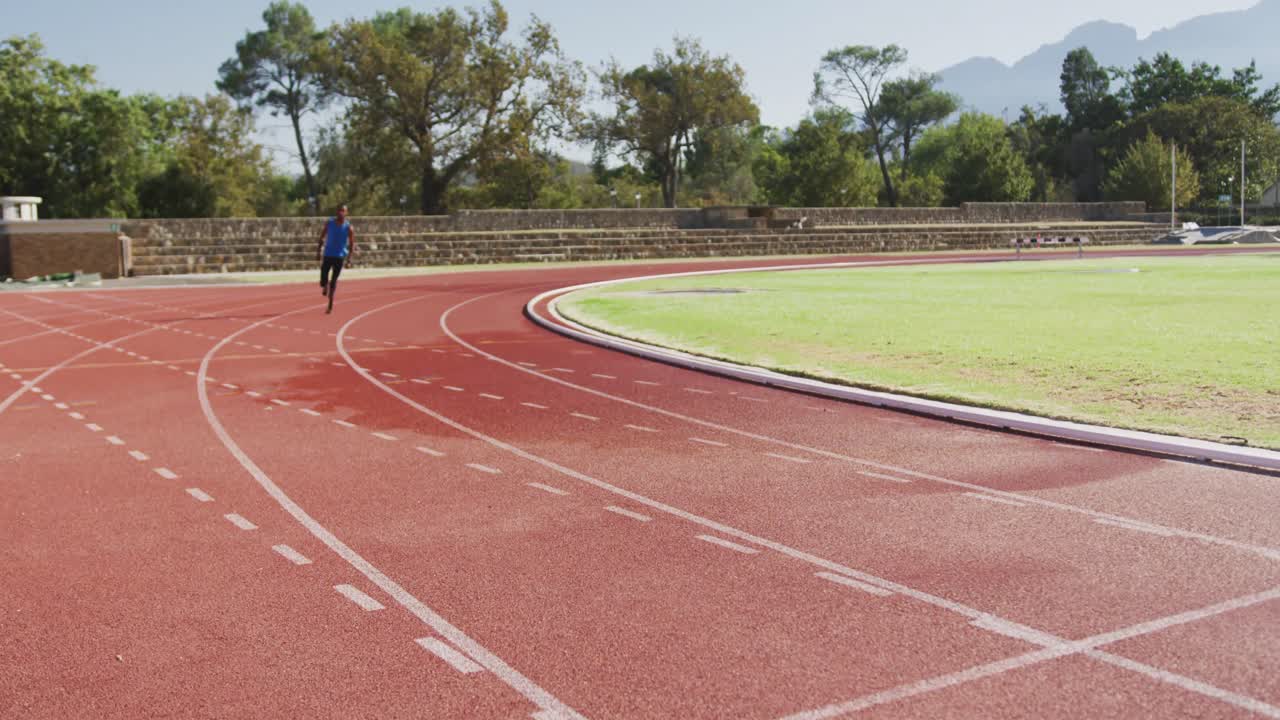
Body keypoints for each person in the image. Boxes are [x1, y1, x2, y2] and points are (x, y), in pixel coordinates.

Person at [317, 205, 356, 314]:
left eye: (343, 211)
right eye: (339, 210)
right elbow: (322, 237)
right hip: (328, 254)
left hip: (339, 256)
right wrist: (318, 251)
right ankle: (325, 285)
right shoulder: (329, 223)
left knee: (334, 281)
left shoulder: (349, 227)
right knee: (323, 279)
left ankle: (330, 305)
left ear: (346, 212)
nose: (341, 212)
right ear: (336, 212)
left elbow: (352, 244)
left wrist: (349, 259)